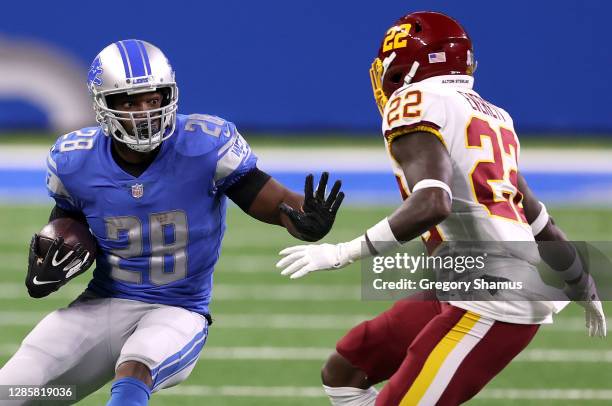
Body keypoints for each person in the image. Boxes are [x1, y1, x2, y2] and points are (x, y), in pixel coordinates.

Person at [276, 11, 606, 405]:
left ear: (408, 65)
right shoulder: (493, 116)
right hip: (467, 279)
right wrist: (580, 281)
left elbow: (433, 201)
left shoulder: (414, 103)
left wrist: (342, 253)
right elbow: (538, 220)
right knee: (347, 370)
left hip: (492, 298)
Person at [0, 39, 344, 405]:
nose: (145, 111)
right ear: (104, 104)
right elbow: (66, 227)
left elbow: (275, 203)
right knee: (14, 389)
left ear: (170, 96)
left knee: (136, 369)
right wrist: (44, 270)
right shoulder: (74, 161)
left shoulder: (205, 146)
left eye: (153, 98)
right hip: (100, 305)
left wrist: (304, 220)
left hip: (177, 311)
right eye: (130, 101)